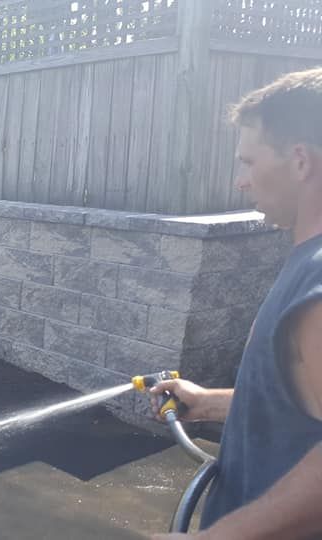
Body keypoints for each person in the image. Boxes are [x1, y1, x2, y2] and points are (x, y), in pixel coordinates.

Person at [149, 68, 322, 540]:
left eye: (248, 162)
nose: (241, 181)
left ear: (300, 161)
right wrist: (209, 403)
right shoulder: (305, 260)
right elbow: (297, 406)